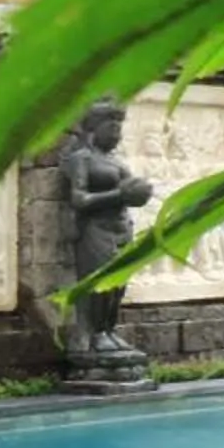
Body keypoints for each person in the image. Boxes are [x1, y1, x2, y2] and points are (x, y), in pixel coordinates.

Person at [61, 112, 156, 362]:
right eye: (112, 129)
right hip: (95, 229)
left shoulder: (117, 162)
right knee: (98, 283)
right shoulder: (81, 159)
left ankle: (108, 330)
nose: (117, 135)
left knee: (118, 285)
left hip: (121, 227)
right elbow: (79, 199)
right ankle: (93, 335)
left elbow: (132, 189)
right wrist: (118, 195)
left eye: (120, 130)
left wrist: (141, 192)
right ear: (95, 129)